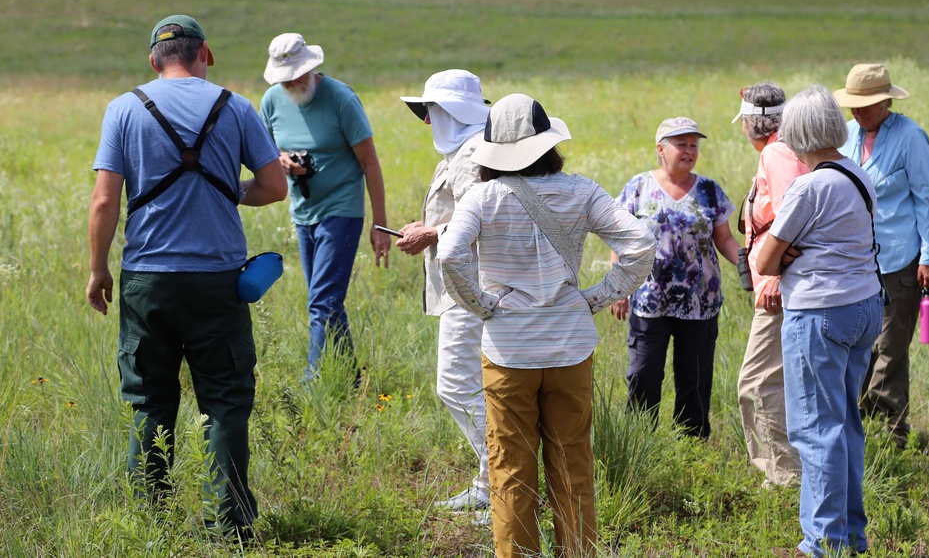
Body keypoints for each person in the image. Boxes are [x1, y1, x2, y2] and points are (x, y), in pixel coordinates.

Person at [86, 14, 287, 539]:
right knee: (224, 403)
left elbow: (106, 198)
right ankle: (230, 528)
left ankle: (147, 520)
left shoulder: (124, 109)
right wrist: (226, 190)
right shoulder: (236, 107)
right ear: (206, 55)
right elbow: (274, 186)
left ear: (153, 61)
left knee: (149, 401)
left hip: (144, 279)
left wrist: (96, 269)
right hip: (218, 281)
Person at [436, 94, 655, 558]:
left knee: (511, 468)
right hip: (570, 348)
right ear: (547, 143)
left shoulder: (481, 197)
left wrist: (480, 305)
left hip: (508, 351)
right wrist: (595, 297)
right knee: (572, 461)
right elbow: (639, 244)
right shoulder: (582, 191)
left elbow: (450, 254)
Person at [757, 85, 885, 558]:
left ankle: (823, 544)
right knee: (846, 425)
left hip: (819, 313)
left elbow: (767, 260)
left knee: (814, 430)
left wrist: (788, 251)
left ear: (796, 133)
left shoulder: (808, 187)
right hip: (865, 306)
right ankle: (852, 536)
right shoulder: (856, 172)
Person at [258, 32, 392, 379]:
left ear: (312, 67)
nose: (293, 83)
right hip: (303, 212)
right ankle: (349, 376)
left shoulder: (341, 99)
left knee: (322, 301)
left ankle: (314, 381)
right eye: (286, 79)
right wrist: (282, 160)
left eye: (298, 75)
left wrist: (379, 223)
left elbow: (370, 164)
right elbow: (263, 150)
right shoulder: (272, 100)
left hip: (342, 210)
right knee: (327, 302)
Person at [834, 63, 929, 449]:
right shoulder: (846, 135)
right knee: (861, 341)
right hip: (856, 261)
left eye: (865, 106)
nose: (857, 113)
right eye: (853, 105)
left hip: (901, 259)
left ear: (885, 101)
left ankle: (891, 434)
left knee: (891, 347)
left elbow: (926, 198)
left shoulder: (911, 137)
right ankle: (861, 425)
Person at [396, 69, 491, 511]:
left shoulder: (473, 154)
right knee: (474, 385)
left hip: (468, 286)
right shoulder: (461, 151)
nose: (428, 121)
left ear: (451, 111)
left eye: (431, 111)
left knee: (456, 384)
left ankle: (500, 483)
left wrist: (430, 234)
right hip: (463, 284)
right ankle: (497, 480)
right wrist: (428, 229)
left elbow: (483, 219)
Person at [610, 117, 740, 439]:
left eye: (694, 144)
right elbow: (619, 238)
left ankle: (691, 449)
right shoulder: (638, 188)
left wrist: (751, 264)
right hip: (649, 300)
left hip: (700, 304)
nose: (689, 150)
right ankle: (639, 442)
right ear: (660, 149)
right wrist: (618, 287)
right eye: (681, 144)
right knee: (643, 375)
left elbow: (724, 238)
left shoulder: (709, 190)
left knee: (694, 380)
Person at [732, 83, 808, 488]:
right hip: (785, 285)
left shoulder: (777, 154)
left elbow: (789, 216)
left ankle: (783, 475)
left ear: (751, 122)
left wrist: (776, 274)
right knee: (778, 380)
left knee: (756, 381)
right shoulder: (790, 149)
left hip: (778, 290)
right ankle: (787, 470)